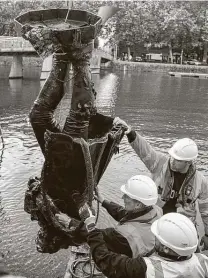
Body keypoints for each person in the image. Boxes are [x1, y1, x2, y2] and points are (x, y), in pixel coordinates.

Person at [113, 117, 208, 249]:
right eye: (173, 157)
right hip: (157, 220)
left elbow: (205, 210)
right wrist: (131, 133)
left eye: (178, 160)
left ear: (188, 162)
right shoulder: (161, 164)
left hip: (182, 227)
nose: (173, 161)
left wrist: (207, 235)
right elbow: (145, 152)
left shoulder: (200, 181)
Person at [80, 206, 208, 278]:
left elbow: (105, 260)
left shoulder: (147, 269)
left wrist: (91, 227)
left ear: (166, 249)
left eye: (158, 237)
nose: (154, 237)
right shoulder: (203, 261)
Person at [56, 175, 161, 258]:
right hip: (148, 255)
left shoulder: (127, 236)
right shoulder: (155, 210)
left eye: (127, 196)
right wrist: (104, 201)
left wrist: (70, 222)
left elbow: (98, 236)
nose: (122, 197)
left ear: (138, 204)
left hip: (133, 268)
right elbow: (125, 214)